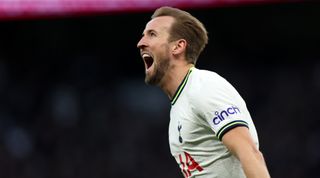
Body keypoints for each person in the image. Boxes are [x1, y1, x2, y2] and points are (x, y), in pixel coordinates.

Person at [137, 6, 270, 178]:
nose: (140, 43)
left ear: (178, 46)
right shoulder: (180, 104)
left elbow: (250, 154)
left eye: (152, 34)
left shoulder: (204, 87)